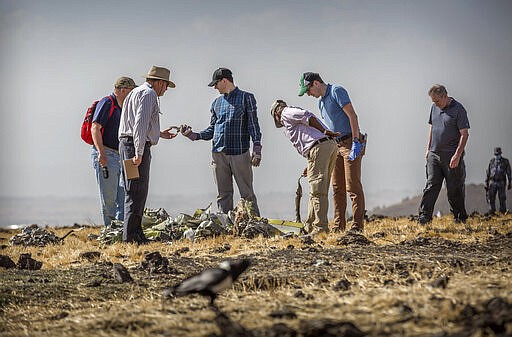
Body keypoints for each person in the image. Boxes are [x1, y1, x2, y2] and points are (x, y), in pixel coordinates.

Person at [180, 68, 262, 215]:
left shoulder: (246, 98)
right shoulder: (216, 103)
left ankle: (255, 227)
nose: (214, 87)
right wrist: (193, 135)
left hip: (240, 153)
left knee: (247, 194)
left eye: (216, 83)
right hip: (218, 155)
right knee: (223, 195)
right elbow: (212, 130)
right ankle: (226, 227)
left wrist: (257, 149)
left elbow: (253, 125)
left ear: (225, 80)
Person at [299, 72, 366, 233]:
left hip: (350, 142)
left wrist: (356, 141)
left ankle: (357, 227)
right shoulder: (321, 103)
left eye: (308, 90)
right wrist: (314, 162)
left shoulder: (336, 91)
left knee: (353, 186)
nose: (308, 94)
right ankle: (338, 226)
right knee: (337, 188)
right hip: (334, 146)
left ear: (315, 83)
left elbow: (352, 115)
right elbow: (326, 131)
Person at [118, 66, 178, 244]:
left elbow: (137, 123)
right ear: (160, 82)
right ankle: (131, 237)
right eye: (166, 86)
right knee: (136, 191)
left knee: (134, 191)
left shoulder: (135, 92)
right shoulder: (149, 94)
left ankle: (135, 234)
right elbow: (140, 124)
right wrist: (138, 152)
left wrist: (159, 133)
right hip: (134, 146)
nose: (166, 90)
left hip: (128, 144)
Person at [270, 100, 338, 235]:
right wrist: (310, 162)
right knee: (318, 190)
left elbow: (306, 115)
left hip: (319, 147)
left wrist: (324, 130)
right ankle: (311, 226)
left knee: (318, 190)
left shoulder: (285, 112)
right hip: (326, 147)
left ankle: (320, 228)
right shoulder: (289, 116)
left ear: (277, 114)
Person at [418, 84, 470, 224]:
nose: (435, 104)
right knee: (431, 185)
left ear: (445, 96)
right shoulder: (434, 107)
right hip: (434, 154)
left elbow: (464, 134)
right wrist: (428, 149)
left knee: (454, 188)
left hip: (451, 156)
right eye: (433, 101)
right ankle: (424, 217)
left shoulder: (458, 109)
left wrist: (457, 155)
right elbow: (432, 128)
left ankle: (459, 217)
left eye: (437, 101)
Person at [91, 77, 137, 227]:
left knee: (125, 195)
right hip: (107, 155)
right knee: (109, 199)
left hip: (123, 155)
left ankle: (122, 231)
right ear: (123, 90)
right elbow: (95, 128)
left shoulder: (125, 107)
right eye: (131, 91)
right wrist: (101, 153)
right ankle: (110, 231)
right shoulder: (107, 103)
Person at [485, 147, 511, 214]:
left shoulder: (505, 162)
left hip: (501, 182)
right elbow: (488, 172)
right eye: (496, 154)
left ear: (500, 154)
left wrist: (510, 182)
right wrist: (486, 182)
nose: (497, 156)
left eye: (498, 154)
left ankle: (502, 211)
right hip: (492, 181)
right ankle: (492, 211)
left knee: (502, 198)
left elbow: (509, 172)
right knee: (490, 197)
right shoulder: (492, 161)